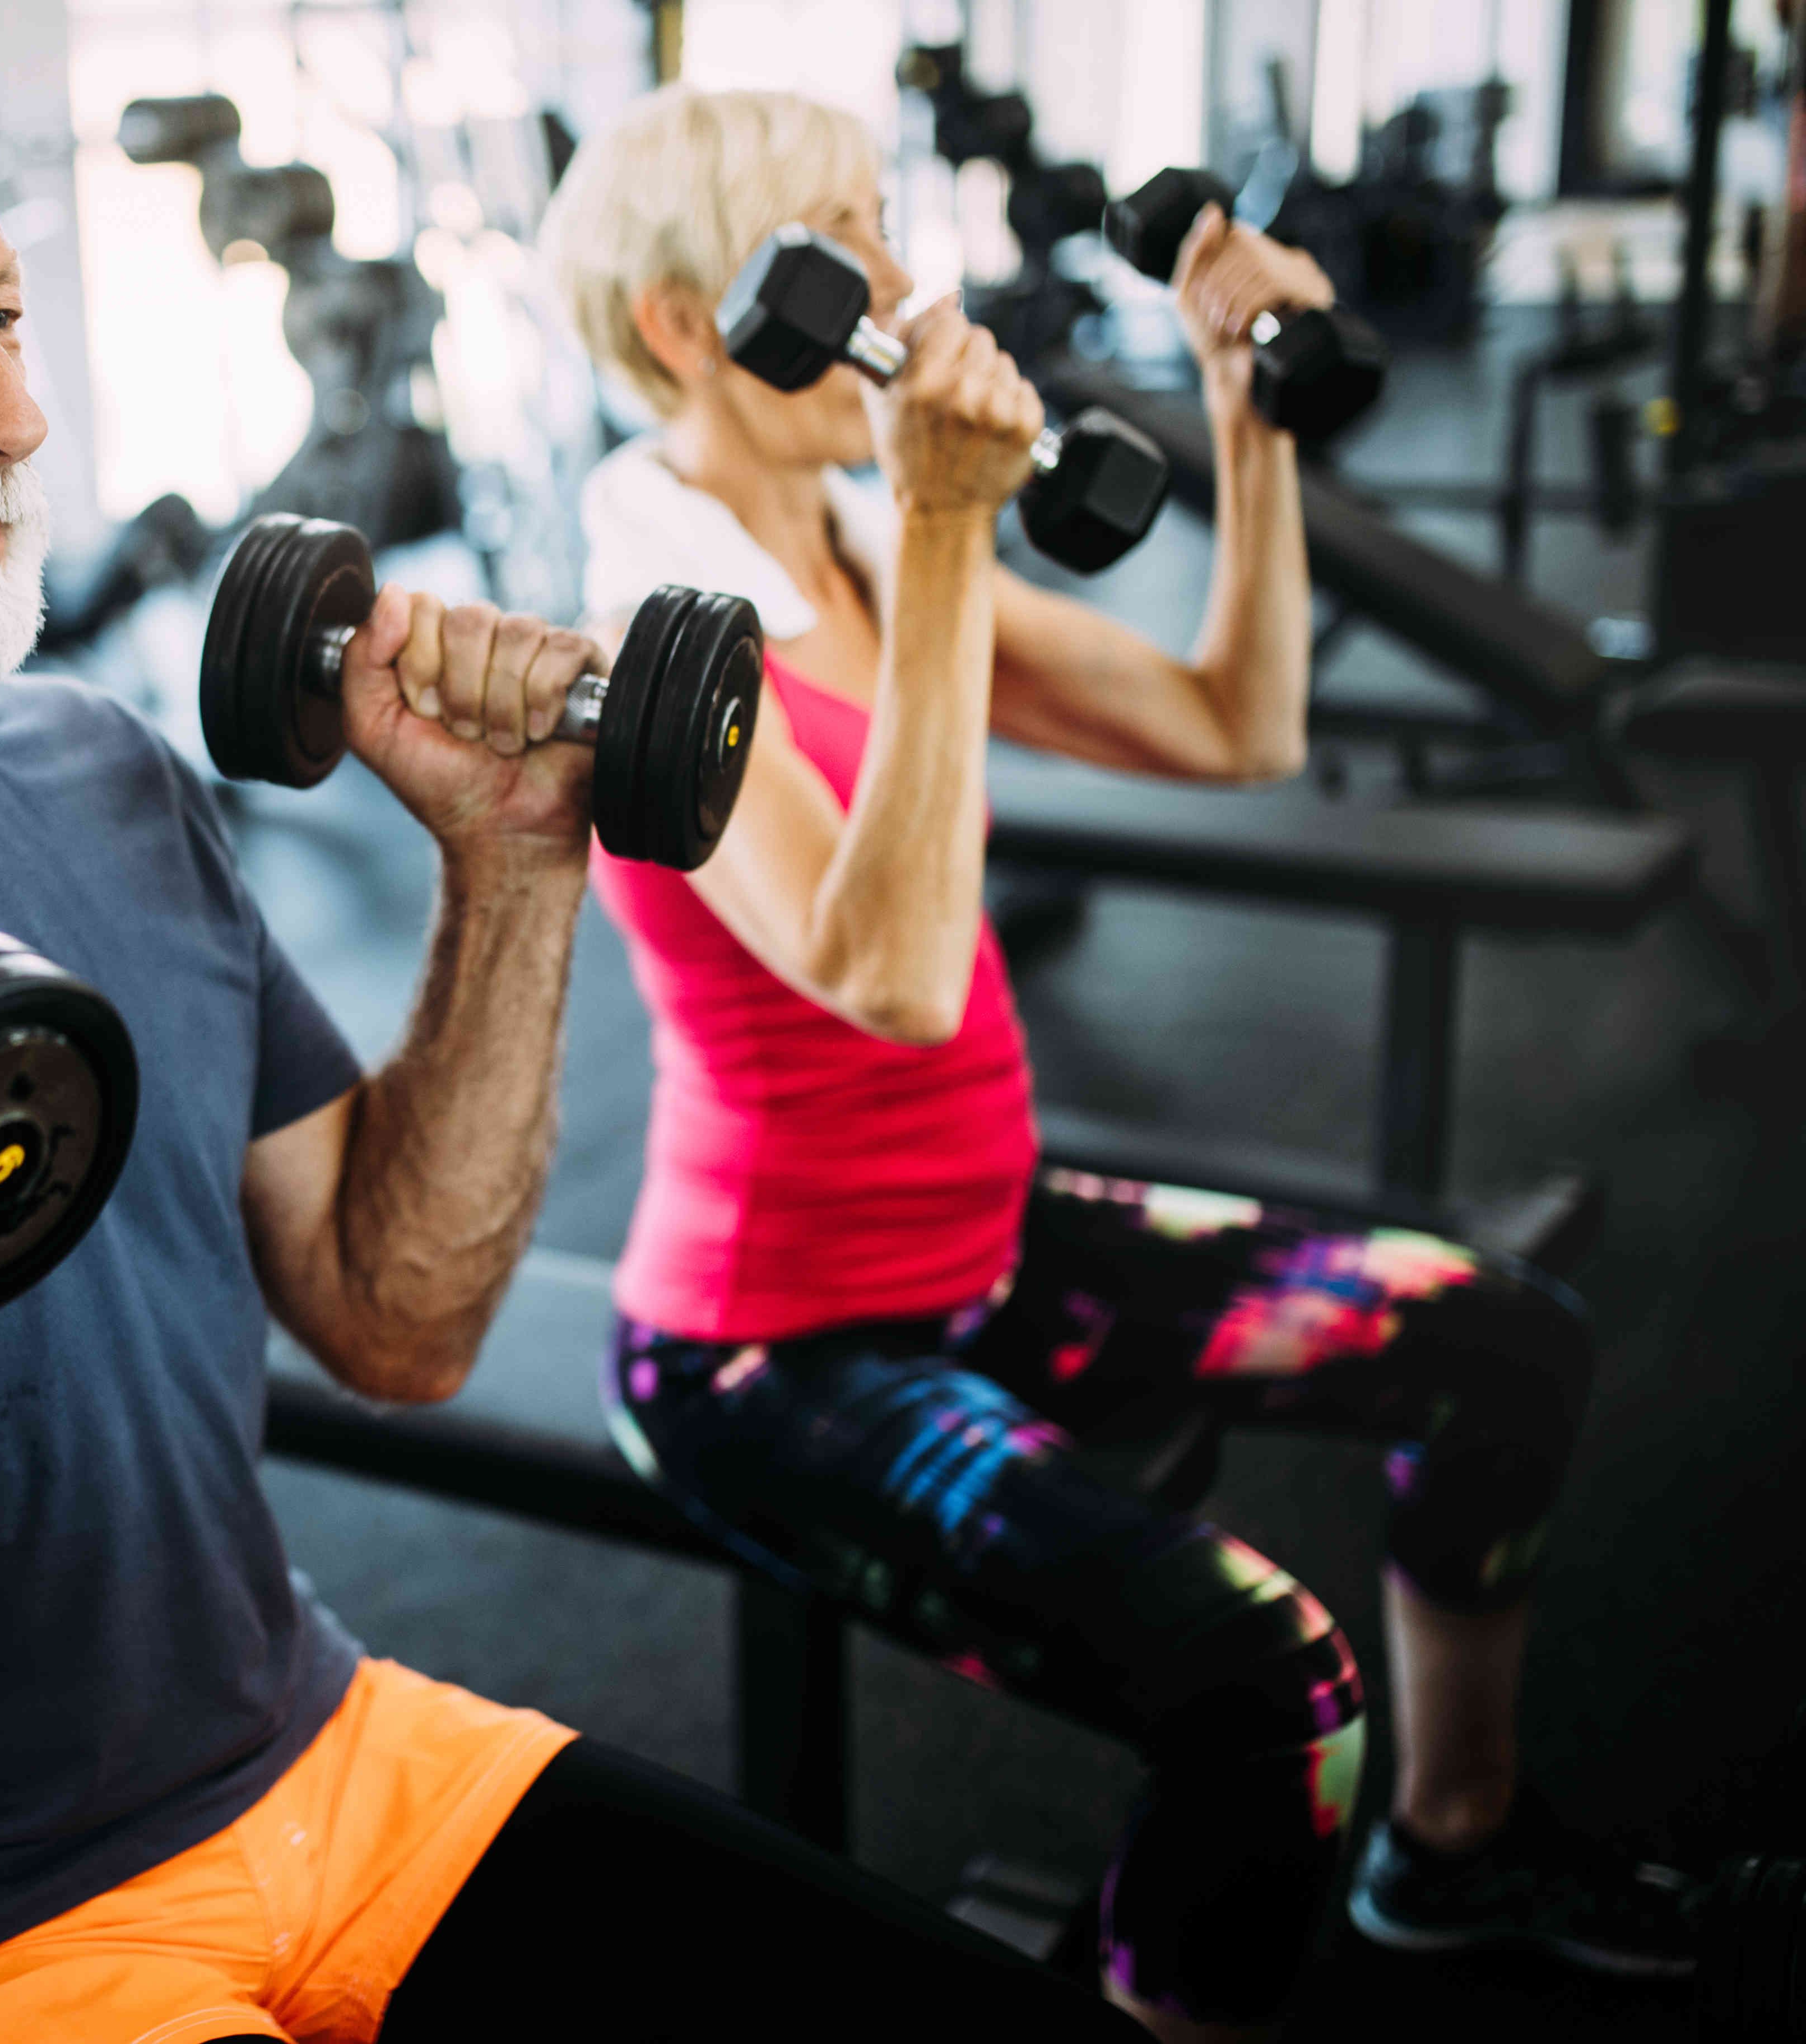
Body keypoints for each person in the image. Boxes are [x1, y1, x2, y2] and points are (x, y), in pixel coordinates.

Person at [0, 6, 1145, 2041]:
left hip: (326, 1764)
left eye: (4, 315)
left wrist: (517, 868)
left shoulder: (98, 767)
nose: (11, 411)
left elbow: (399, 1316)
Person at [535, 84, 1696, 2044]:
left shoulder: (850, 546)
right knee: (1273, 1691)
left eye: (884, 229)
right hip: (773, 1349)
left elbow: (1240, 723)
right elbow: (885, 975)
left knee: (1504, 1342)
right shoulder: (648, 643)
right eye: (845, 242)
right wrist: (941, 526)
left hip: (986, 1239)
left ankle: (1457, 1842)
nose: (904, 288)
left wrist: (1240, 413)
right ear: (683, 325)